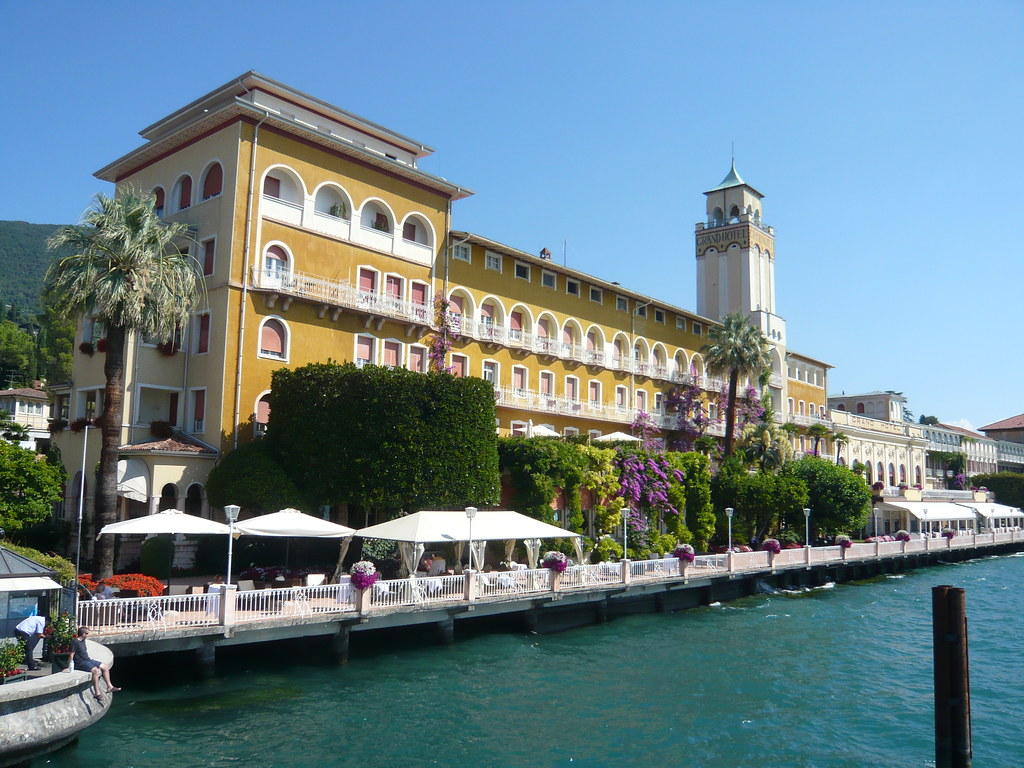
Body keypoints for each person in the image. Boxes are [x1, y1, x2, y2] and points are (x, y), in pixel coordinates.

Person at [72, 627, 120, 701]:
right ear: (83, 634)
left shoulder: (83, 640)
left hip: (88, 660)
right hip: (80, 663)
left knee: (105, 667)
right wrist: (70, 666)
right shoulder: (75, 642)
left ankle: (110, 686)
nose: (88, 635)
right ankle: (97, 693)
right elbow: (71, 654)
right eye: (87, 633)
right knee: (95, 670)